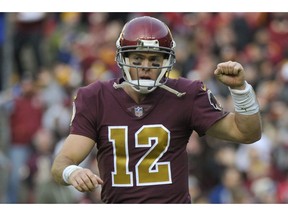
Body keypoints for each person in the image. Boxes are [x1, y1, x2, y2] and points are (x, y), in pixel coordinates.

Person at [51, 16, 262, 203]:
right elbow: (61, 164)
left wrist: (240, 90)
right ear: (123, 59)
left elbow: (247, 133)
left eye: (154, 59)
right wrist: (72, 172)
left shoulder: (185, 94)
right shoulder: (96, 97)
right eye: (138, 59)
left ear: (167, 61)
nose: (146, 66)